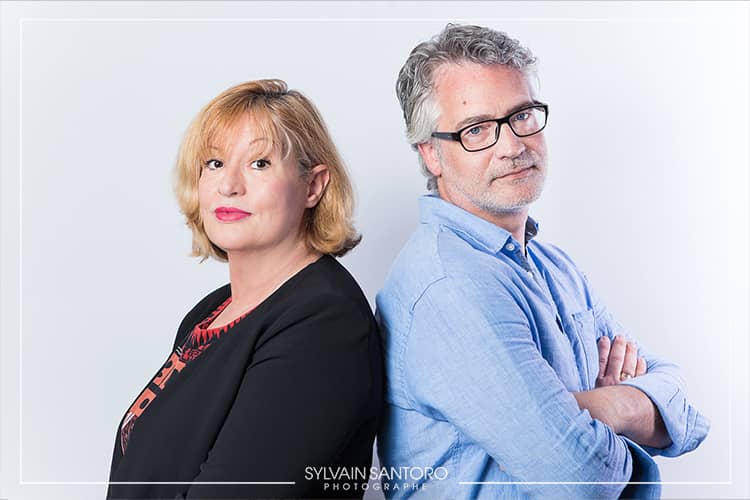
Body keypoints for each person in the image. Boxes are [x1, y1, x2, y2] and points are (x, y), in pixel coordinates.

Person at [376, 24, 709, 499]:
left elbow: (689, 414)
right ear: (431, 153)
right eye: (477, 130)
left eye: (522, 116)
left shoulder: (555, 266)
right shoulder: (449, 283)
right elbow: (581, 477)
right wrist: (631, 412)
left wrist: (604, 409)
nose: (512, 145)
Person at [106, 79, 383, 499]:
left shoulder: (325, 324)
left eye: (260, 164)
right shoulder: (210, 312)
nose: (228, 185)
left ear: (313, 186)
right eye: (214, 163)